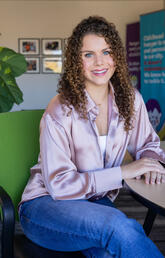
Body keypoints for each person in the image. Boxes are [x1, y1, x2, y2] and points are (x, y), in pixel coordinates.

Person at [19, 16, 165, 258]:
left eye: (106, 51)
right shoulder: (60, 110)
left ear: (116, 55)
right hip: (45, 206)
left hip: (95, 204)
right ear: (77, 60)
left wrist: (149, 161)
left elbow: (148, 143)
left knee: (110, 250)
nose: (99, 62)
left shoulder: (129, 99)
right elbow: (59, 186)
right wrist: (122, 173)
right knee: (119, 229)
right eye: (88, 54)